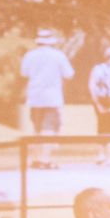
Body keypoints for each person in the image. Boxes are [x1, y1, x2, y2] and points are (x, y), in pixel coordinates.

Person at [19, 30, 74, 160]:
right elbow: (69, 74)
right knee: (48, 128)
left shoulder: (30, 55)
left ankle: (36, 158)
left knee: (37, 129)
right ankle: (45, 158)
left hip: (34, 97)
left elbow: (24, 73)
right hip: (52, 97)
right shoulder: (58, 55)